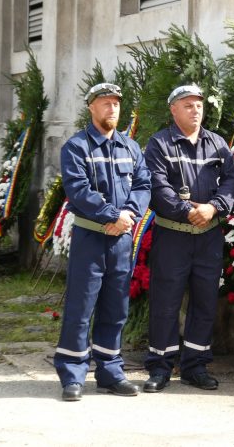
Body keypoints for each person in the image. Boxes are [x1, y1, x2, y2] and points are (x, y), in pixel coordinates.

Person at [55, 83, 151, 401]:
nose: (112, 108)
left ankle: (110, 372)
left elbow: (143, 184)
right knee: (81, 307)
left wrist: (128, 215)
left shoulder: (130, 147)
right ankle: (72, 375)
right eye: (105, 103)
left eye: (116, 103)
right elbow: (78, 190)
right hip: (90, 238)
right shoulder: (76, 147)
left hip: (120, 239)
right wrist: (112, 215)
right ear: (91, 107)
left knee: (115, 307)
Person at [141, 84, 234, 393]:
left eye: (198, 105)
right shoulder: (159, 144)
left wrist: (214, 207)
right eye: (187, 105)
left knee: (205, 303)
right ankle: (160, 367)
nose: (195, 110)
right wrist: (188, 211)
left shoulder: (217, 143)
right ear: (173, 110)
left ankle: (195, 366)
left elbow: (232, 181)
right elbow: (157, 186)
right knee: (165, 303)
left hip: (208, 237)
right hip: (173, 236)